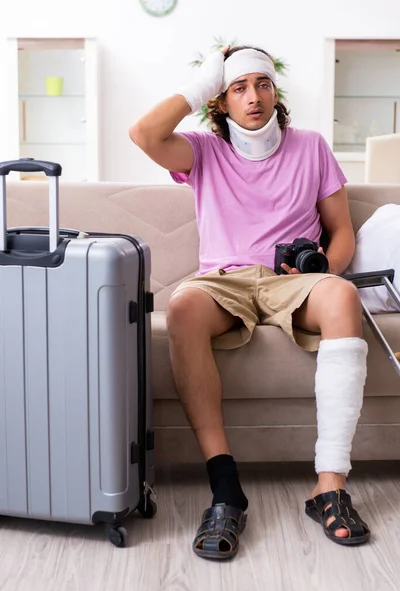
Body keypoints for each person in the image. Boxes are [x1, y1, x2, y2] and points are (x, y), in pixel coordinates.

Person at [129, 45, 371, 559]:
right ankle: (225, 489)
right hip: (224, 280)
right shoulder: (203, 151)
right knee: (182, 307)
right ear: (220, 100)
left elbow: (342, 232)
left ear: (275, 93)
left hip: (291, 281)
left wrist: (323, 269)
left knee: (343, 296)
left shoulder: (310, 147)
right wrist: (203, 81)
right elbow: (144, 135)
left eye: (262, 84)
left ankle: (329, 485)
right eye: (238, 87)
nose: (253, 97)